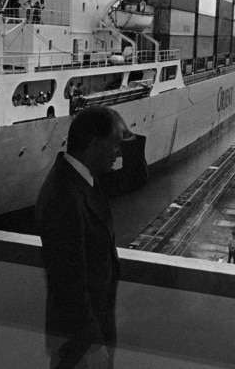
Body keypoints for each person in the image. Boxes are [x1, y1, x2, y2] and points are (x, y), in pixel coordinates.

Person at [36, 105, 148, 368]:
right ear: (95, 144)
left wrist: (127, 135)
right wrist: (93, 345)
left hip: (86, 333)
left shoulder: (81, 179)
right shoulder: (65, 196)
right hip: (80, 343)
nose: (118, 153)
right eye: (114, 145)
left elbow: (136, 178)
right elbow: (69, 283)